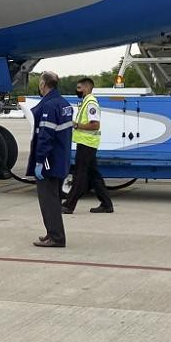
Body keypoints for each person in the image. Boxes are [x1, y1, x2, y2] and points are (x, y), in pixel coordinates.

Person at [28, 71, 73, 248]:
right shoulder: (64, 104)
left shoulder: (49, 106)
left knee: (49, 201)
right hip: (60, 159)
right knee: (52, 199)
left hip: (49, 161)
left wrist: (39, 160)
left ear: (44, 84)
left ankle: (56, 237)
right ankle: (51, 233)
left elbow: (45, 136)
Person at [63, 77, 113, 214]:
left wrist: (76, 125)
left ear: (86, 88)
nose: (77, 90)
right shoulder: (86, 102)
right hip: (86, 143)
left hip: (87, 143)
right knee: (94, 175)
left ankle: (69, 204)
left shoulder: (91, 103)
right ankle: (106, 204)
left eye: (79, 88)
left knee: (80, 175)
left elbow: (95, 125)